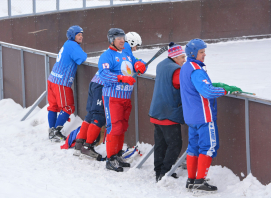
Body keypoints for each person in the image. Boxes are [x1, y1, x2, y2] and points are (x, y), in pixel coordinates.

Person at [179, 39, 241, 193]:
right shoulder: (197, 70)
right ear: (193, 53)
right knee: (208, 147)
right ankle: (200, 181)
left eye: (204, 51)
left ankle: (192, 180)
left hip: (191, 116)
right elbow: (206, 92)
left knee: (193, 147)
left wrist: (216, 85)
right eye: (201, 52)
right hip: (204, 117)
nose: (204, 54)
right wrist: (224, 91)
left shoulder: (186, 67)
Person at [73, 31, 145, 160]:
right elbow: (128, 63)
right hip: (104, 85)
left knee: (91, 114)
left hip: (96, 83)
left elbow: (134, 61)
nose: (135, 49)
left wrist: (139, 62)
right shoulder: (125, 48)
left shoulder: (122, 49)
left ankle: (80, 144)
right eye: (136, 46)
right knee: (100, 117)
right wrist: (124, 76)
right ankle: (87, 146)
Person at [98, 28, 146, 172]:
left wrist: (140, 64)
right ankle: (110, 159)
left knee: (122, 127)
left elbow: (138, 62)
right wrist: (121, 78)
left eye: (123, 38)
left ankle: (117, 155)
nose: (122, 40)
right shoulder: (106, 56)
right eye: (118, 38)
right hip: (112, 97)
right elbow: (104, 75)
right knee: (114, 127)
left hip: (126, 97)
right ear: (111, 40)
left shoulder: (126, 53)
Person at [149, 42, 186, 182]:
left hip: (156, 112)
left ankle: (158, 170)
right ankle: (165, 172)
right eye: (182, 57)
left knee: (160, 144)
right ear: (175, 57)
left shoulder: (161, 65)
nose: (184, 60)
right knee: (175, 144)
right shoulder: (177, 70)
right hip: (169, 114)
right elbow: (183, 85)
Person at [47, 25, 87, 142]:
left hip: (53, 79)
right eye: (78, 35)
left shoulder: (67, 44)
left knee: (53, 107)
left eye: (81, 34)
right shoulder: (72, 45)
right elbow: (82, 57)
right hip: (61, 82)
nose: (81, 37)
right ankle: (56, 132)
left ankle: (52, 130)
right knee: (68, 107)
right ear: (72, 36)